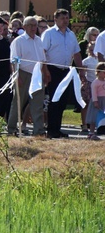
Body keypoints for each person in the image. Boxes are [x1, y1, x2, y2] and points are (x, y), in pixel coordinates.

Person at [41, 9, 84, 138]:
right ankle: (51, 129)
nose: (65, 21)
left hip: (66, 71)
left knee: (63, 101)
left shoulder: (71, 34)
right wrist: (45, 70)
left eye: (67, 18)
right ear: (55, 19)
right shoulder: (49, 34)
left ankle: (57, 129)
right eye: (62, 18)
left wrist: (81, 70)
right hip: (52, 69)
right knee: (54, 100)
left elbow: (76, 53)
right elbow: (42, 52)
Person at [7, 16, 47, 137]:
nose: (33, 28)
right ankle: (11, 129)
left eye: (35, 25)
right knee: (18, 103)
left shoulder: (39, 40)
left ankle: (39, 131)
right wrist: (17, 76)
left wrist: (45, 73)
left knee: (38, 104)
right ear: (24, 27)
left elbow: (43, 60)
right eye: (30, 25)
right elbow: (13, 61)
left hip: (37, 76)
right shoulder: (18, 41)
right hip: (23, 73)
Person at [80, 42, 98, 135]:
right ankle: (84, 125)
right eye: (91, 49)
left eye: (94, 49)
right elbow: (82, 74)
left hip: (99, 85)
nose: (92, 52)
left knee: (99, 105)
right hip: (89, 83)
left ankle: (98, 125)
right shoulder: (86, 61)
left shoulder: (101, 60)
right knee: (86, 105)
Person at [85, 62, 105, 140]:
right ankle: (91, 133)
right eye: (104, 72)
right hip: (97, 101)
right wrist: (95, 101)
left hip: (104, 100)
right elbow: (94, 93)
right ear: (98, 72)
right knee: (94, 118)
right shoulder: (95, 82)